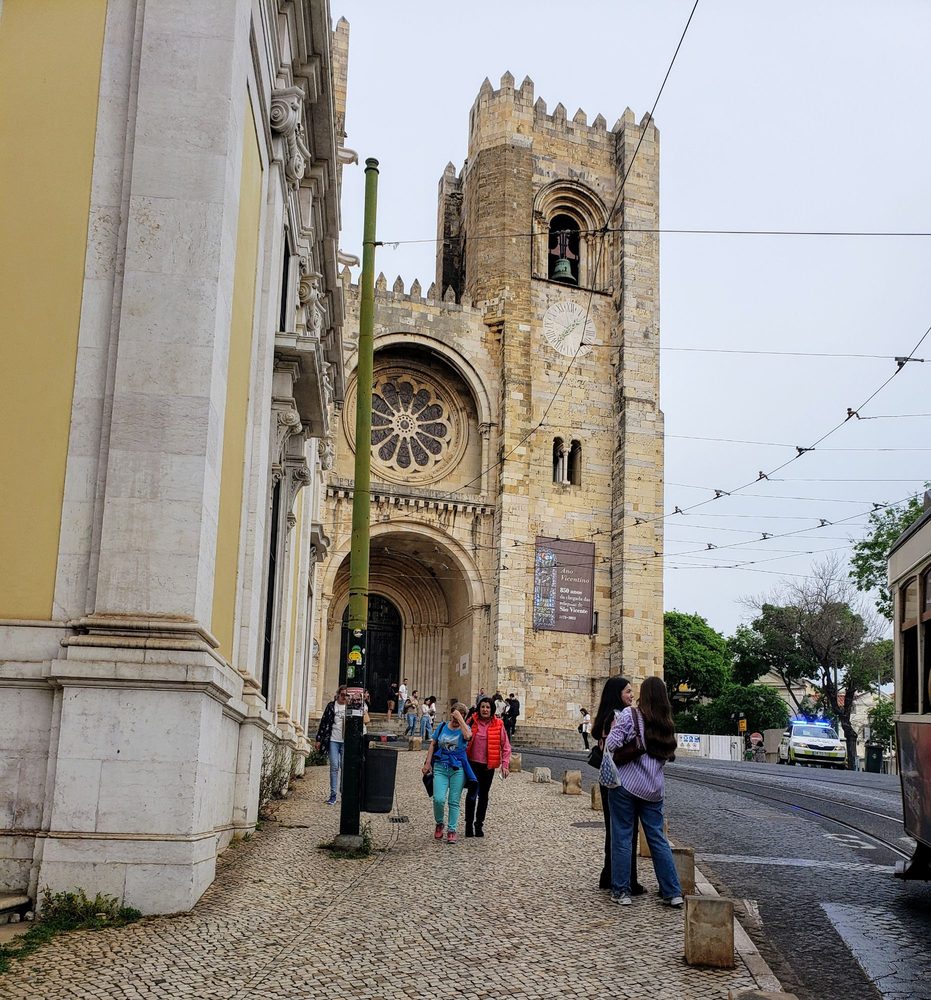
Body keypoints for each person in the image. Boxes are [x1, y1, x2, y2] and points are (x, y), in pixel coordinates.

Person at [606, 676, 682, 908]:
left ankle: (621, 891)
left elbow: (610, 744)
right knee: (658, 839)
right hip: (654, 789)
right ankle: (672, 892)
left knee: (622, 837)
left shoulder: (631, 715)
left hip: (626, 786)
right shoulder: (666, 722)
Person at [592, 677, 643, 894]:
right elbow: (618, 744)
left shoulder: (605, 716)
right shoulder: (618, 716)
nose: (632, 695)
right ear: (617, 694)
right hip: (621, 779)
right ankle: (626, 880)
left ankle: (609, 874)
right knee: (625, 831)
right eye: (628, 692)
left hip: (607, 778)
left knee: (613, 829)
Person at [422, 703, 473, 844]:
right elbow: (433, 744)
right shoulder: (442, 726)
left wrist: (462, 720)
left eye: (461, 715)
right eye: (456, 714)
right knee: (438, 799)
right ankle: (439, 823)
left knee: (453, 801)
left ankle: (452, 830)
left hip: (458, 768)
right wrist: (427, 763)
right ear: (451, 713)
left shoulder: (465, 728)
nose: (457, 718)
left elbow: (468, 736)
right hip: (440, 766)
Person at [464, 695, 511, 838]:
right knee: (471, 795)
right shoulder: (472, 720)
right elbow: (461, 737)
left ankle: (479, 825)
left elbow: (506, 746)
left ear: (492, 709)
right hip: (472, 764)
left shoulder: (499, 724)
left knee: (483, 796)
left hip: (488, 766)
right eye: (483, 706)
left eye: (488, 707)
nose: (485, 709)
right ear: (479, 708)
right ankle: (468, 825)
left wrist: (505, 765)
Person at [314, 685, 349, 805]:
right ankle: (333, 794)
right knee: (334, 766)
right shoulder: (331, 706)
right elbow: (323, 723)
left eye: (346, 695)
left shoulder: (350, 707)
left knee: (345, 768)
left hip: (346, 741)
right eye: (343, 694)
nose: (344, 697)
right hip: (333, 740)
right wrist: (318, 739)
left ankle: (344, 792)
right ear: (338, 694)